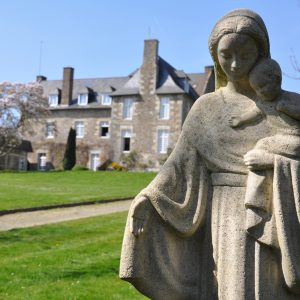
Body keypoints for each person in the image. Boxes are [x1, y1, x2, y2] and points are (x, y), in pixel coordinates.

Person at [120, 9, 300, 300]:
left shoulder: (283, 105)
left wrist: (274, 162)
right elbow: (178, 167)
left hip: (275, 216)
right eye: (226, 55)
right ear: (215, 55)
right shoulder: (205, 108)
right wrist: (148, 200)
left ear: (262, 53)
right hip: (225, 219)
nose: (235, 64)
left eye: (245, 54)